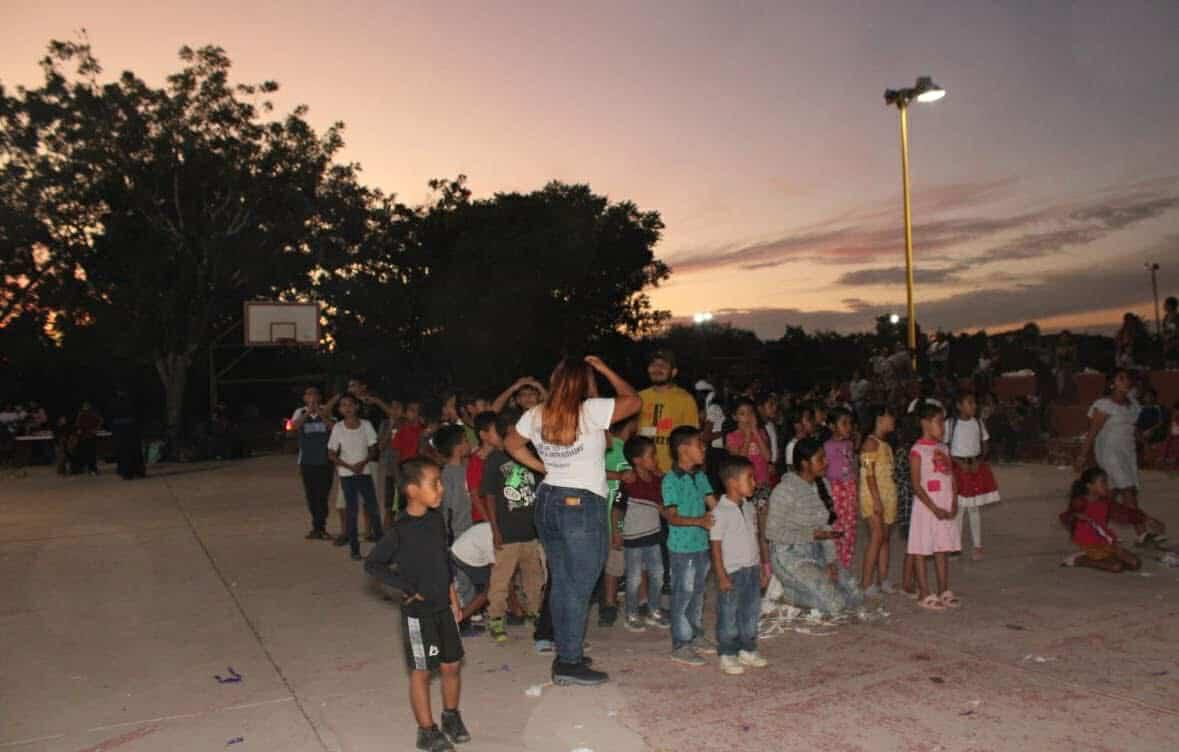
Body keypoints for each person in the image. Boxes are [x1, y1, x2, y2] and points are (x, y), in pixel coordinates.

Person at [506, 356, 641, 687]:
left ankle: (566, 651)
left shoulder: (536, 413)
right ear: (583, 383)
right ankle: (569, 661)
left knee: (563, 581)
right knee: (578, 586)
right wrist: (606, 368)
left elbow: (511, 442)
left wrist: (542, 468)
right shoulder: (590, 411)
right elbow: (634, 400)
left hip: (549, 499)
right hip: (581, 504)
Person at [364, 458, 470, 752]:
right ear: (412, 490)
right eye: (434, 483)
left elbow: (443, 560)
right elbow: (373, 565)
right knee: (422, 672)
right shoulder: (400, 530)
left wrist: (453, 597)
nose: (441, 488)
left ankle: (451, 716)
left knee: (451, 666)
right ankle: (426, 731)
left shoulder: (438, 519)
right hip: (418, 613)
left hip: (443, 607)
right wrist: (408, 588)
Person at [765, 438, 862, 616]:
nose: (826, 462)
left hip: (815, 552)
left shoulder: (822, 484)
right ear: (805, 463)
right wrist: (811, 535)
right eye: (820, 459)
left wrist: (832, 562)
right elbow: (772, 533)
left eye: (825, 457)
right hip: (789, 555)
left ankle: (804, 590)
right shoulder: (784, 490)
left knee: (854, 592)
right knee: (835, 603)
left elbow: (825, 528)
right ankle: (790, 594)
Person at [480, 413, 544, 643]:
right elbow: (488, 496)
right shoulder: (495, 460)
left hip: (530, 531)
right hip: (507, 533)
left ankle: (534, 613)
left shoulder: (533, 457)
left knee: (534, 578)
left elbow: (539, 491)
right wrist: (495, 529)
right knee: (501, 579)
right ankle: (496, 618)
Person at [663, 425, 719, 666]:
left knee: (697, 593)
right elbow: (672, 517)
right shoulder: (670, 480)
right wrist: (701, 521)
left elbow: (713, 505)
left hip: (700, 544)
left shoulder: (700, 476)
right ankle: (681, 644)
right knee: (683, 595)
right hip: (681, 548)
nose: (704, 448)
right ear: (683, 449)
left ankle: (695, 635)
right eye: (699, 444)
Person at [710, 455, 769, 676]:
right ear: (733, 482)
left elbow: (757, 537)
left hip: (752, 569)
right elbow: (715, 547)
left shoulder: (749, 507)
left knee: (750, 612)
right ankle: (727, 653)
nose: (755, 482)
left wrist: (763, 566)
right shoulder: (720, 512)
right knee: (729, 614)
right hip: (732, 572)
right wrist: (721, 575)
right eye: (750, 478)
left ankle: (748, 648)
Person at [907, 401, 961, 612]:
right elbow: (916, 484)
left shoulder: (943, 448)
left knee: (942, 547)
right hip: (926, 507)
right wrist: (933, 507)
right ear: (925, 423)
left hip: (944, 503)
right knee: (921, 548)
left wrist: (954, 500)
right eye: (939, 422)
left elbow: (951, 476)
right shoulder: (917, 450)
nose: (943, 428)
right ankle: (924, 591)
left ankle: (944, 589)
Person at [617, 435, 669, 632]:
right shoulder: (629, 481)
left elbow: (662, 504)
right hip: (633, 538)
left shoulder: (656, 479)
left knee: (658, 574)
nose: (655, 459)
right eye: (651, 455)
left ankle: (653, 610)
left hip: (653, 535)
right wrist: (617, 532)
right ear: (637, 460)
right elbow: (617, 509)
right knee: (634, 578)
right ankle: (631, 613)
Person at [328, 395, 383, 561]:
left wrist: (363, 462)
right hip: (347, 475)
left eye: (350, 404)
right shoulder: (338, 428)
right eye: (343, 405)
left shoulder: (366, 425)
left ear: (357, 406)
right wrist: (349, 466)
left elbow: (373, 448)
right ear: (339, 410)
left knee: (373, 509)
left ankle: (382, 548)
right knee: (352, 511)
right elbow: (331, 453)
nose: (347, 408)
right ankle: (354, 549)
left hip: (364, 472)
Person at [1077, 369, 1141, 511]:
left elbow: (1133, 428)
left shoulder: (1133, 405)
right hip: (1109, 453)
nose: (1126, 381)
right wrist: (1082, 456)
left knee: (1112, 492)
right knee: (1127, 490)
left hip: (1127, 452)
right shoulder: (1104, 405)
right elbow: (1092, 432)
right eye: (1121, 378)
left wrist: (1145, 445)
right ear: (1112, 384)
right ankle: (1142, 533)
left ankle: (1091, 523)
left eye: (1127, 378)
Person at [948, 392, 1000, 561]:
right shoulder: (951, 424)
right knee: (960, 509)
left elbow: (985, 445)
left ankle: (977, 546)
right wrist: (957, 462)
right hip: (958, 468)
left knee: (974, 508)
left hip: (975, 467)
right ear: (959, 405)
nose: (974, 406)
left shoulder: (978, 422)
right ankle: (955, 546)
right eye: (969, 402)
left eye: (974, 403)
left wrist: (979, 460)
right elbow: (944, 447)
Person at [1059, 467, 1141, 573]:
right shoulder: (1080, 501)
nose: (1107, 486)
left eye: (1106, 482)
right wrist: (1076, 516)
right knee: (1116, 567)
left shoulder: (1105, 500)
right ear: (1090, 486)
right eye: (1103, 483)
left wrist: (1147, 519)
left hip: (1104, 538)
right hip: (1089, 541)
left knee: (1135, 563)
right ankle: (1079, 559)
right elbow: (1065, 517)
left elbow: (1123, 512)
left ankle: (1104, 556)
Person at [601, 414, 638, 627]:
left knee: (611, 564)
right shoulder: (618, 448)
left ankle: (608, 604)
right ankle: (609, 604)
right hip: (614, 515)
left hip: (607, 514)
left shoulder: (613, 446)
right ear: (631, 424)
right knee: (613, 564)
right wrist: (621, 475)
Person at [859, 404, 898, 595]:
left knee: (885, 539)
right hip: (873, 497)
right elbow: (868, 474)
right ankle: (866, 582)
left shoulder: (887, 446)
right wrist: (876, 500)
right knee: (877, 537)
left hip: (887, 497)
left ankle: (883, 579)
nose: (894, 420)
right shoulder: (870, 443)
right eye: (891, 416)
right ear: (880, 419)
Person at [638, 350, 699, 472]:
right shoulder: (638, 398)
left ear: (674, 372)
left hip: (673, 471)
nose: (657, 369)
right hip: (644, 471)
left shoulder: (685, 399)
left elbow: (691, 439)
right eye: (654, 364)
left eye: (663, 365)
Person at [290, 386, 335, 539]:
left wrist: (321, 413)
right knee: (311, 495)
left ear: (320, 397)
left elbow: (334, 428)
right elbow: (294, 426)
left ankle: (320, 526)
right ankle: (317, 526)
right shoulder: (300, 411)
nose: (312, 397)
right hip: (307, 461)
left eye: (315, 394)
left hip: (325, 460)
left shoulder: (326, 410)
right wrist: (309, 411)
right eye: (308, 394)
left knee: (322, 494)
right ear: (304, 398)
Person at [822, 407, 858, 570]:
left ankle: (845, 563)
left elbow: (852, 466)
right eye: (844, 423)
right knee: (835, 527)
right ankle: (834, 565)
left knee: (849, 528)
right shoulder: (827, 446)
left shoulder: (849, 444)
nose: (848, 427)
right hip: (835, 490)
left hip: (849, 489)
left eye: (849, 423)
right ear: (832, 426)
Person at [434, 425, 474, 543]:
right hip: (457, 535)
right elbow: (447, 508)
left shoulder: (467, 469)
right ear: (457, 447)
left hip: (471, 530)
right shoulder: (447, 475)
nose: (469, 443)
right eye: (466, 440)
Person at [108, 391, 145, 479]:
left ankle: (127, 471)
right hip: (129, 429)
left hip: (122, 429)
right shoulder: (131, 402)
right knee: (131, 450)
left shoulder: (114, 403)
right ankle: (135, 471)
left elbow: (110, 416)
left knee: (124, 451)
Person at [1163, 296, 1179, 368]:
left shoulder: (1177, 317)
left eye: (1166, 304)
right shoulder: (1166, 317)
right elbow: (1165, 330)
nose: (1164, 306)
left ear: (1171, 305)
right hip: (1168, 345)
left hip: (1176, 344)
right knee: (1169, 364)